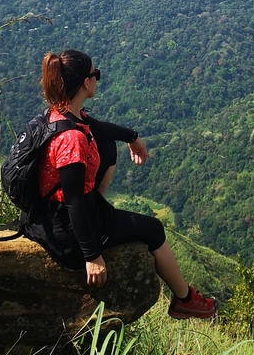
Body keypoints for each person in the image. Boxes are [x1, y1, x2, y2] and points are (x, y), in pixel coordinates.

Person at [23, 49, 216, 320]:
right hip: (69, 227)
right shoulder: (72, 140)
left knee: (107, 147)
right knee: (153, 229)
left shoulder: (59, 117)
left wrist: (132, 137)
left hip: (47, 214)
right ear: (85, 83)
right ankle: (185, 299)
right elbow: (73, 199)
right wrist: (92, 255)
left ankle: (102, 215)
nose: (98, 79)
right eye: (96, 74)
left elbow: (99, 129)